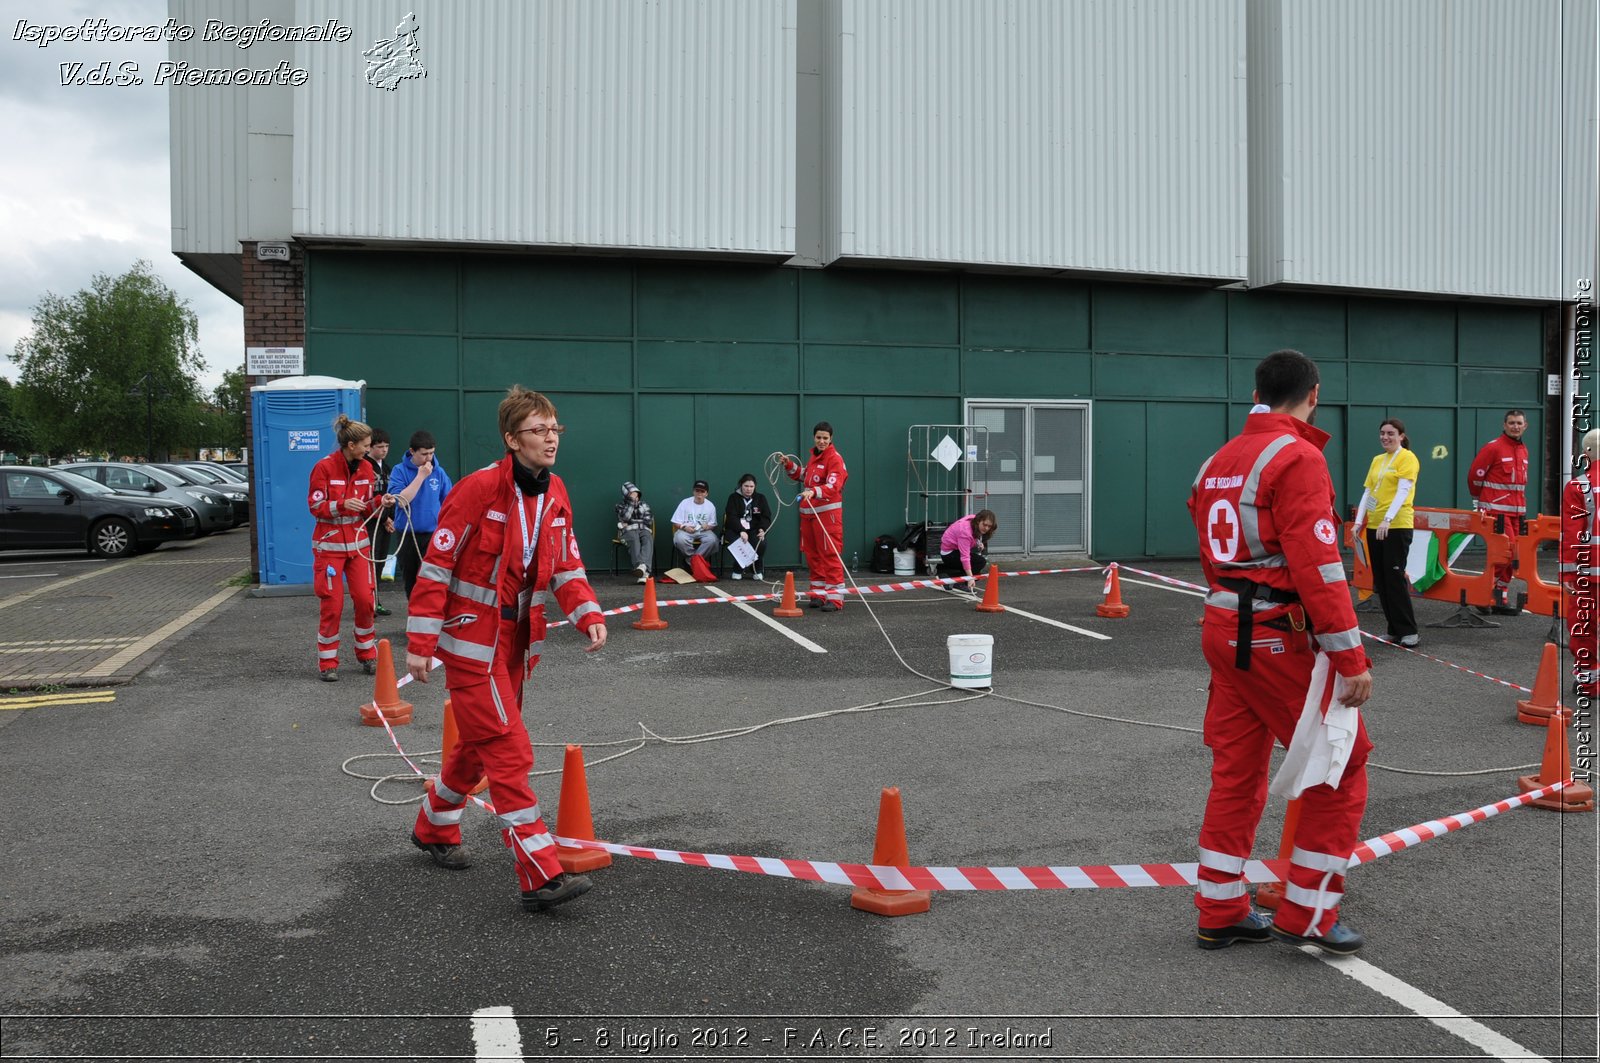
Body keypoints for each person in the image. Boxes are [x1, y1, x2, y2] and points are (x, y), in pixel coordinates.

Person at [1188, 349, 1374, 955]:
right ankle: (1310, 913)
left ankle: (1219, 908)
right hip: (1272, 634)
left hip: (1224, 627)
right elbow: (1319, 564)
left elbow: (1216, 550)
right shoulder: (1297, 456)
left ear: (1259, 392)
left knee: (1237, 772)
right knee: (1341, 764)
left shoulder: (1216, 460)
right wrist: (1351, 656)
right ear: (1312, 393)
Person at [402, 386, 607, 913]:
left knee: (478, 746)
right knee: (509, 752)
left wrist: (587, 612)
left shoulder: (556, 490)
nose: (551, 437)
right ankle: (539, 874)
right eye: (539, 429)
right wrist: (420, 643)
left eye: (555, 428)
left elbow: (566, 563)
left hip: (518, 646)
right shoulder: (477, 489)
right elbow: (436, 568)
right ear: (511, 439)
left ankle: (434, 827)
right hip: (471, 647)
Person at [307, 415, 395, 682]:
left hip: (358, 546)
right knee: (332, 605)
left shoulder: (367, 469)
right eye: (366, 445)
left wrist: (382, 502)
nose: (369, 449)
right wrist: (342, 504)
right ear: (351, 444)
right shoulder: (323, 468)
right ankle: (328, 662)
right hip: (329, 547)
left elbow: (367, 505)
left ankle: (367, 654)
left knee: (366, 601)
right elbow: (314, 507)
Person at [1351, 418, 1420, 647]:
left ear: (1401, 436)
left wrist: (1388, 520)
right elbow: (1369, 493)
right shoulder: (1377, 460)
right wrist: (1359, 522)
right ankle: (1393, 629)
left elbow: (1403, 491)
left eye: (1391, 433)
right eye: (1382, 433)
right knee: (1381, 579)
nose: (1385, 437)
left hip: (1397, 526)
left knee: (1394, 577)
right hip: (1375, 527)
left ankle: (1409, 630)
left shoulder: (1407, 458)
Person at [1467, 409, 1529, 614]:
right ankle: (1484, 594)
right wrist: (1482, 503)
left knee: (1516, 556)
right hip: (1497, 512)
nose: (1515, 426)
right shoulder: (1493, 448)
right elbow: (1475, 477)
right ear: (1504, 425)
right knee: (1506, 553)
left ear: (1525, 426)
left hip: (1517, 513)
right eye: (1511, 423)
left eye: (1519, 423)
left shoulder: (1523, 450)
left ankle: (1500, 597)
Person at [785, 422, 850, 610]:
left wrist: (814, 492)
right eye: (818, 437)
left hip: (827, 516)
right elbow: (804, 476)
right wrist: (788, 465)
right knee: (813, 556)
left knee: (830, 554)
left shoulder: (835, 459)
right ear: (814, 438)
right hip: (809, 516)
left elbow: (833, 485)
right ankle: (818, 595)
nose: (821, 441)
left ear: (831, 439)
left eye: (825, 438)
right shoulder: (814, 457)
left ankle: (835, 598)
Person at [387, 430, 453, 600]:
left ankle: (431, 618)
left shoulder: (439, 472)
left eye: (431, 453)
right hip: (407, 535)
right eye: (424, 454)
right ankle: (414, 618)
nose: (428, 458)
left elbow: (449, 502)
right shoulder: (399, 471)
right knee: (411, 580)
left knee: (431, 580)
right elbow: (401, 501)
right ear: (412, 452)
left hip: (432, 534)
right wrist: (421, 476)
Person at [1561, 428, 1600, 699]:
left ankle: (1590, 683)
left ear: (1586, 454)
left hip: (1590, 571)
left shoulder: (1578, 486)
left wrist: (1567, 572)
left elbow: (1572, 534)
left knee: (1583, 627)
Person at [365, 429, 394, 616]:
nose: (384, 450)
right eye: (379, 447)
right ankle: (368, 603)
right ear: (370, 448)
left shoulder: (387, 468)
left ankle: (376, 601)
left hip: (386, 520)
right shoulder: (366, 466)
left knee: (381, 561)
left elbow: (391, 494)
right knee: (371, 563)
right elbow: (370, 497)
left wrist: (391, 517)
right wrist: (384, 519)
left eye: (386, 446)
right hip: (371, 521)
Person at [722, 473, 771, 581]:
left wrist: (762, 529)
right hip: (735, 529)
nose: (748, 489)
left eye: (751, 486)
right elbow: (731, 517)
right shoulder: (733, 497)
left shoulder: (760, 498)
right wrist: (741, 530)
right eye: (746, 486)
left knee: (760, 543)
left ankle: (756, 569)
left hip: (754, 529)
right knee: (740, 542)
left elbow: (766, 516)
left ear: (755, 487)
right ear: (741, 485)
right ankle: (738, 569)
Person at [937, 510, 998, 592]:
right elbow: (965, 557)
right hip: (949, 554)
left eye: (989, 526)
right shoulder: (965, 532)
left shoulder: (973, 519)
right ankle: (959, 583)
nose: (986, 528)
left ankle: (946, 576)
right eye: (984, 524)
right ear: (978, 521)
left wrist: (978, 542)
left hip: (953, 549)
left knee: (977, 572)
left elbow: (974, 535)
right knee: (979, 563)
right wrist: (970, 578)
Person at [671, 480, 720, 561]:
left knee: (713, 540)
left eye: (702, 491)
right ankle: (695, 561)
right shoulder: (685, 502)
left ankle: (692, 562)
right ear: (693, 491)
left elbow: (713, 524)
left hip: (703, 531)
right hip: (686, 530)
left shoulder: (710, 506)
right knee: (679, 539)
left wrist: (707, 527)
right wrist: (684, 527)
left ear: (706, 494)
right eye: (697, 490)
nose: (699, 493)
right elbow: (675, 522)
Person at [616, 482, 654, 583]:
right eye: (632, 493)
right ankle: (644, 571)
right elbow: (625, 517)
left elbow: (649, 521)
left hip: (643, 529)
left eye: (636, 493)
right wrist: (631, 504)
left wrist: (629, 523)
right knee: (634, 539)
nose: (635, 495)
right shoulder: (620, 506)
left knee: (648, 538)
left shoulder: (644, 505)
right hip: (627, 533)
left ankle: (642, 568)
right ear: (627, 495)